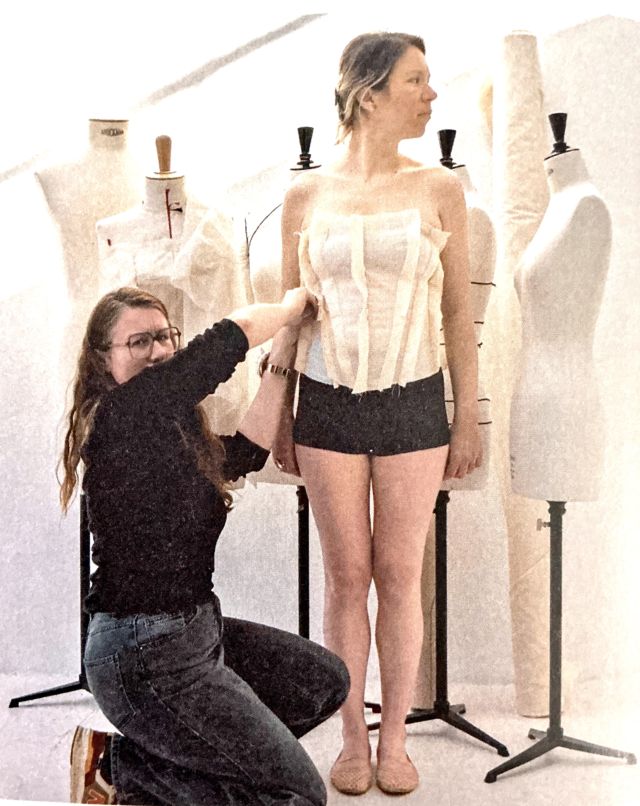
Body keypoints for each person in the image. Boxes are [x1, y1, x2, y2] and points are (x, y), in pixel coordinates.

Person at [273, 32, 482, 796]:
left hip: (414, 402)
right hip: (325, 406)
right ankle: (351, 740)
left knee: (398, 574)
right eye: (416, 80)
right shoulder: (304, 195)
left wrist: (467, 416)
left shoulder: (440, 189)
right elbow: (292, 315)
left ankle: (395, 741)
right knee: (344, 576)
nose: (431, 94)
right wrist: (281, 410)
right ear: (369, 94)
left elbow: (456, 313)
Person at [59, 285, 349, 806]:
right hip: (141, 655)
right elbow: (228, 340)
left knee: (321, 681)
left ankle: (130, 766)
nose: (157, 351)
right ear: (104, 360)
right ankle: (123, 772)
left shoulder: (169, 429)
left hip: (193, 630)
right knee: (298, 796)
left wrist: (285, 346)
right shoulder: (120, 415)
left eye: (164, 336)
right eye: (138, 341)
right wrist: (290, 308)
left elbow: (245, 453)